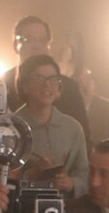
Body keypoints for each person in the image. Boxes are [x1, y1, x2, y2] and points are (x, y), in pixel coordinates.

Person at [13, 54, 89, 198]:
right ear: (24, 85)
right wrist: (33, 173)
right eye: (39, 78)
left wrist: (71, 183)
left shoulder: (73, 127)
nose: (47, 84)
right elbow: (0, 179)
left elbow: (85, 174)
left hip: (66, 209)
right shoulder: (11, 127)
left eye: (53, 79)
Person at [2, 15, 90, 130]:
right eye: (29, 40)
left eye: (42, 40)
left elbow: (83, 136)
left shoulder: (69, 87)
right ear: (15, 45)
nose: (37, 46)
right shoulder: (2, 85)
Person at [77, 68, 109, 145]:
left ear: (93, 83)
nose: (84, 84)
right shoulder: (66, 108)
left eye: (87, 79)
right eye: (79, 81)